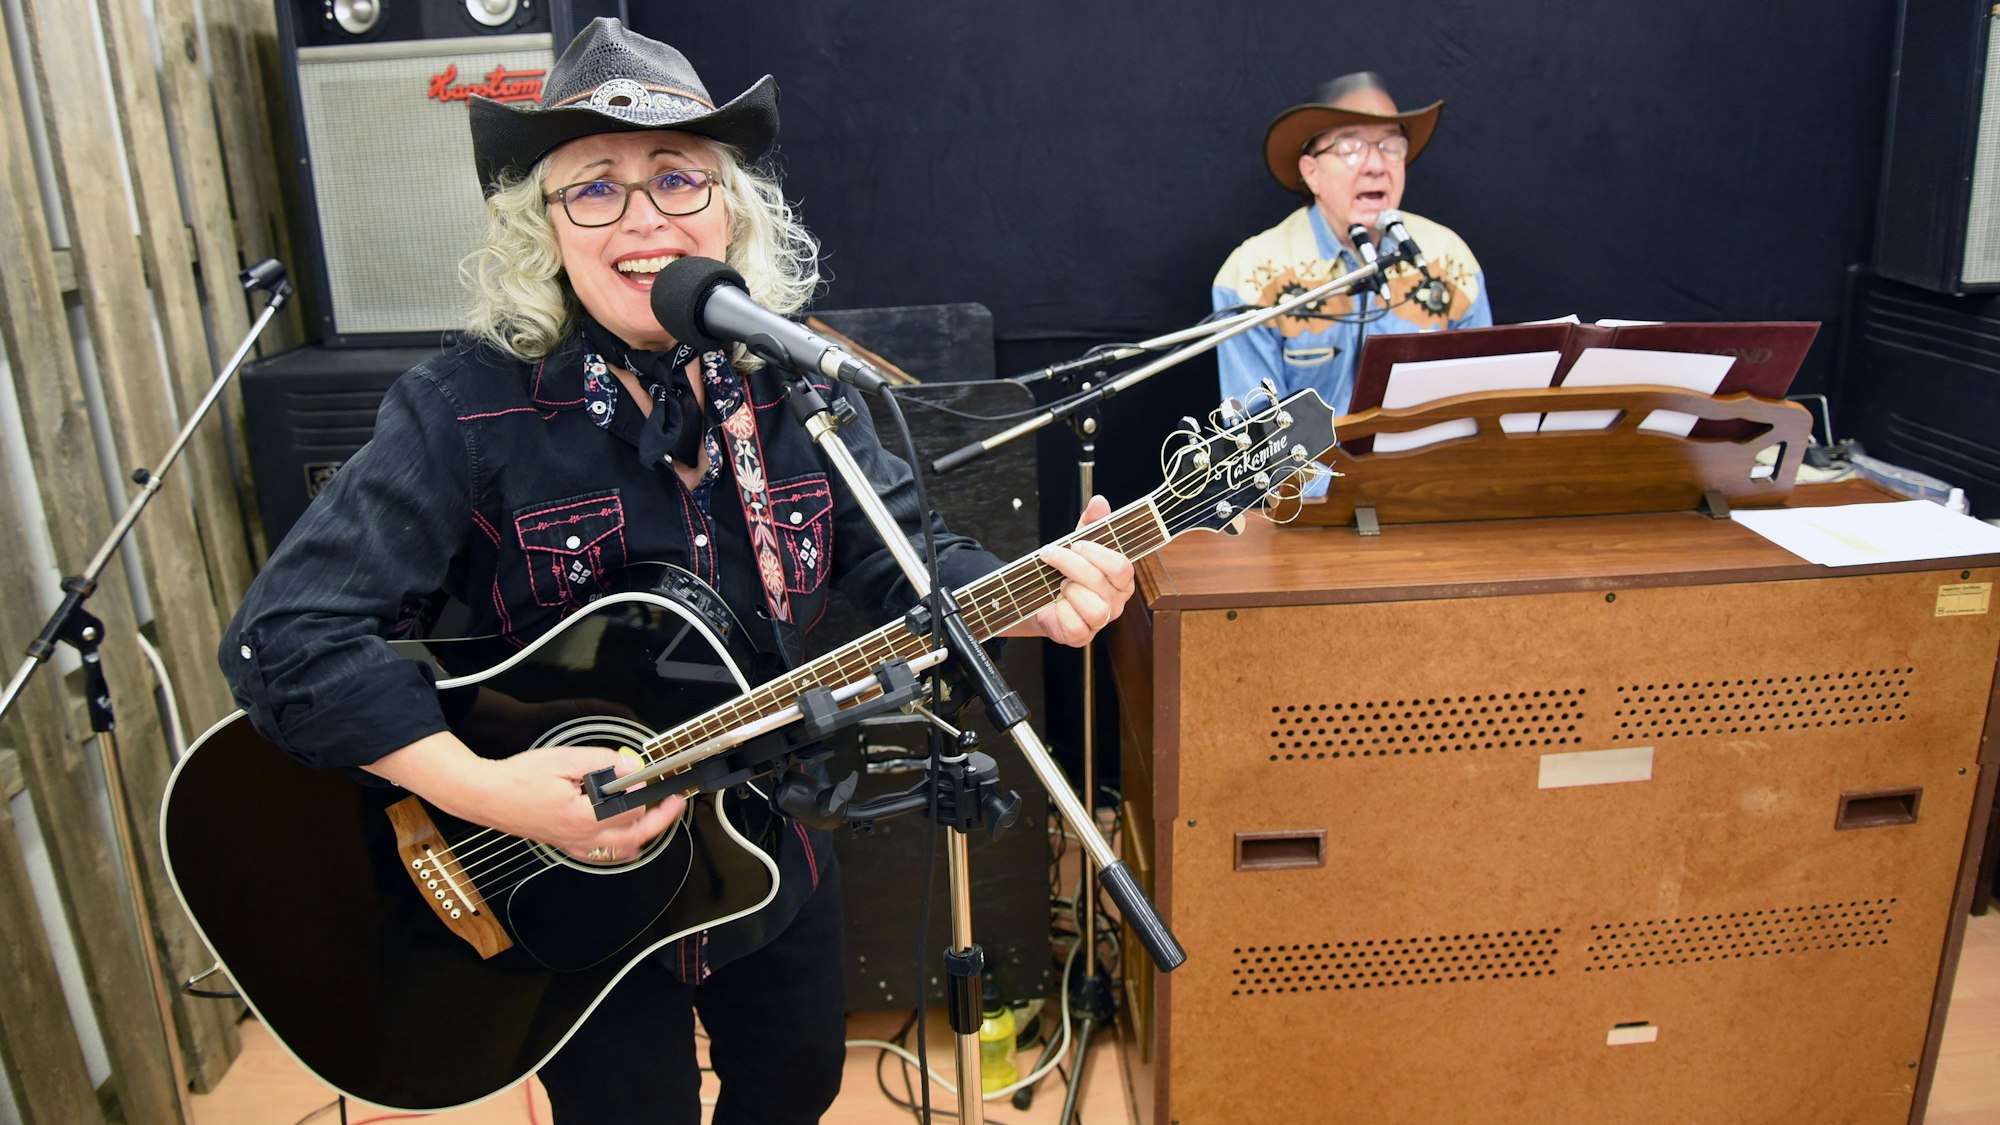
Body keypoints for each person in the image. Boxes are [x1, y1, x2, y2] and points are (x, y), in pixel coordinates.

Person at [219, 18, 1133, 1124]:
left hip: (763, 837)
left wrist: (1037, 597)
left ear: (732, 210)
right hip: (558, 872)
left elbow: (909, 557)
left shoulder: (795, 387)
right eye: (593, 188)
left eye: (676, 179)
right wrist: (489, 792)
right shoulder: (466, 407)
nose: (643, 217)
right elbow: (287, 639)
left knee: (792, 1088)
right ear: (544, 230)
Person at [1212, 72, 1492, 421]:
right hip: (1310, 476)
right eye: (1350, 147)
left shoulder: (1448, 260)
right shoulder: (1251, 273)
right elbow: (1256, 433)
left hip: (1428, 474)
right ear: (1311, 172)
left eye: (1391, 147)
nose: (1376, 166)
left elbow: (1479, 405)